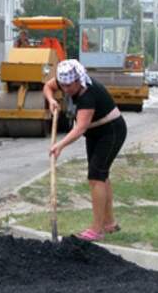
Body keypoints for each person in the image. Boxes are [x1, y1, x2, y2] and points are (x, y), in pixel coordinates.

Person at [43, 59, 127, 242]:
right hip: (95, 133)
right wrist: (51, 101)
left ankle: (97, 229)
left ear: (77, 80)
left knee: (96, 176)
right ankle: (109, 223)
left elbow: (79, 128)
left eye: (69, 86)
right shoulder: (65, 81)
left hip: (110, 131)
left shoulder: (88, 94)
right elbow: (48, 87)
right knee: (101, 176)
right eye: (62, 85)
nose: (65, 90)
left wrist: (59, 145)